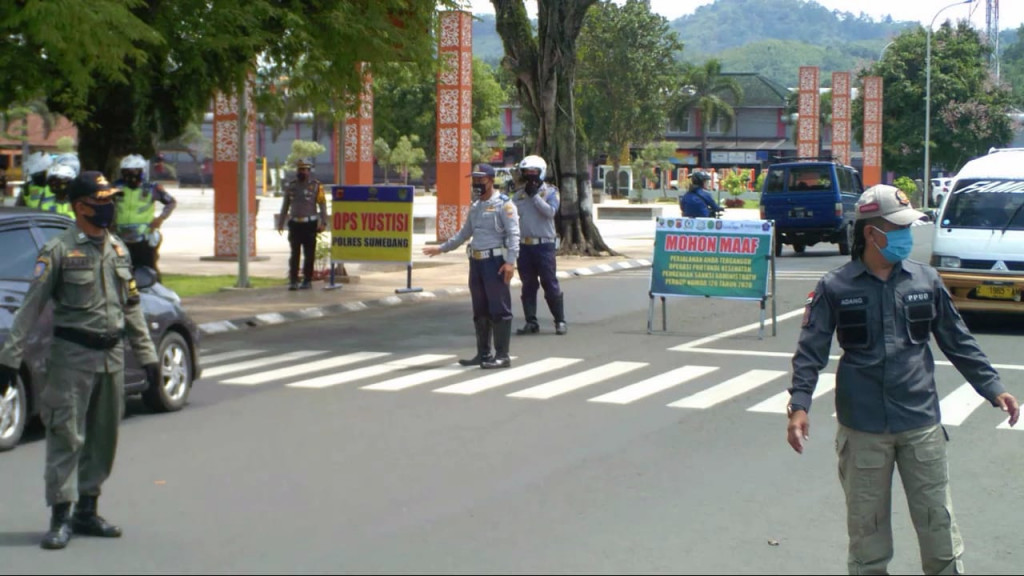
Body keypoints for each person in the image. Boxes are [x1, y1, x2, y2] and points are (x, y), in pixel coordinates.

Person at [786, 184, 1020, 575]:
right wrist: (799, 404)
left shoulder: (925, 280)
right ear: (871, 233)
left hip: (920, 424)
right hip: (863, 429)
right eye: (897, 228)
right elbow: (811, 350)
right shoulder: (836, 287)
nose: (905, 237)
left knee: (938, 528)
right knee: (868, 536)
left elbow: (958, 341)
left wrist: (994, 388)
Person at [0, 171, 161, 550]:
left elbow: (132, 308)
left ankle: (87, 510)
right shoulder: (57, 251)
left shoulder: (118, 250)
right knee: (66, 437)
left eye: (110, 201)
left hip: (112, 358)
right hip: (72, 358)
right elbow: (30, 308)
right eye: (101, 201)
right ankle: (60, 516)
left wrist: (148, 356)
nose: (108, 208)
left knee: (104, 439)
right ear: (80, 206)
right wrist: (9, 360)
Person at [423, 164, 520, 369]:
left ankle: (502, 355)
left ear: (491, 181)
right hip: (476, 262)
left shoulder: (504, 204)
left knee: (499, 309)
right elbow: (464, 234)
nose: (476, 184)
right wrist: (441, 249)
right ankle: (483, 353)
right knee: (480, 309)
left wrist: (511, 262)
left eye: (480, 180)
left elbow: (513, 234)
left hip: (495, 263)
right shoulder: (475, 206)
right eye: (474, 180)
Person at [512, 155, 566, 335]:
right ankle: (531, 321)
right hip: (524, 246)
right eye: (526, 172)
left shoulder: (550, 192)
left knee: (549, 283)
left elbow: (550, 212)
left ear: (541, 172)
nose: (530, 175)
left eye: (534, 172)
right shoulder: (518, 195)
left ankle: (559, 320)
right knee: (528, 284)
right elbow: (510, 218)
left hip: (544, 245)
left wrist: (535, 196)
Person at [113, 154, 177, 279]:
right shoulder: (116, 188)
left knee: (149, 269)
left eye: (134, 171)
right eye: (126, 172)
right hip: (120, 237)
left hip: (144, 237)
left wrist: (161, 218)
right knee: (121, 271)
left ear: (142, 171)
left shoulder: (151, 188)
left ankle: (156, 293)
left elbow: (171, 202)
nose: (130, 175)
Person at [277, 157, 327, 291]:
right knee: (295, 254)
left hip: (310, 224)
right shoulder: (291, 186)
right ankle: (293, 280)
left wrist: (323, 222)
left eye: (305, 169)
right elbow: (285, 205)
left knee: (309, 254)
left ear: (309, 171)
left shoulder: (316, 186)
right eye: (300, 169)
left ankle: (307, 280)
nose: (302, 172)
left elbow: (322, 205)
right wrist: (281, 223)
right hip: (295, 224)